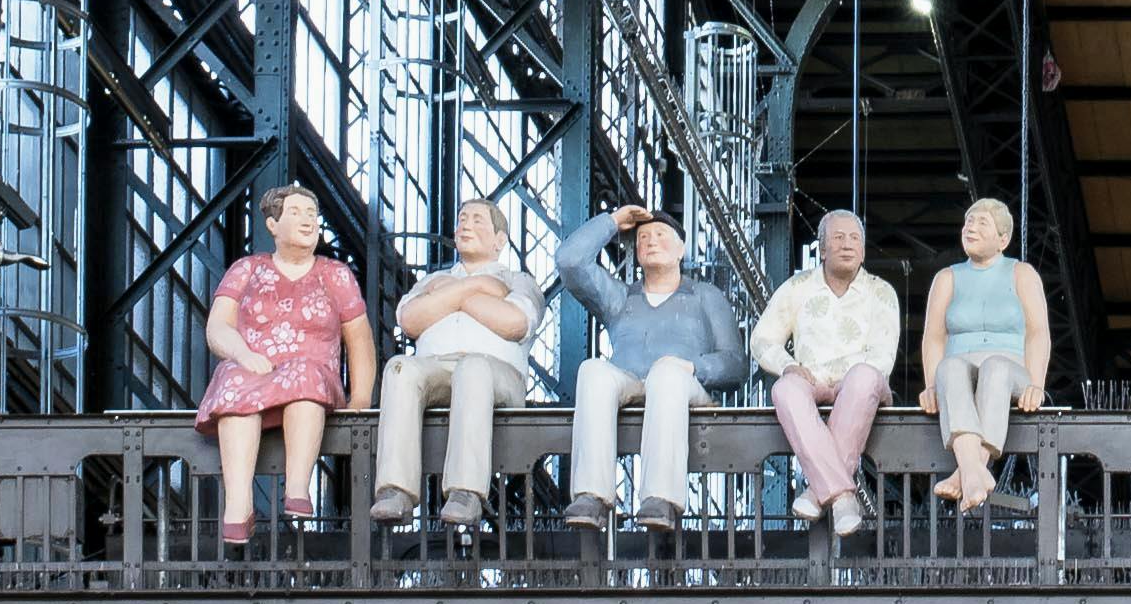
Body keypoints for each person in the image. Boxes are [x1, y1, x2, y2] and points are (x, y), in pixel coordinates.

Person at [555, 197, 752, 536]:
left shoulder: (706, 296)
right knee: (593, 370)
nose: (650, 242)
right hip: (631, 381)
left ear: (681, 251)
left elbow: (735, 364)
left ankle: (660, 497)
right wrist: (613, 221)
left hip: (684, 385)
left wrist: (692, 366)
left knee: (666, 374)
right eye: (644, 238)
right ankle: (592, 495)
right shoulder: (621, 298)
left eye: (661, 235)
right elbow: (571, 262)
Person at [196, 181, 374, 551]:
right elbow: (218, 327)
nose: (307, 220)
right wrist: (244, 355)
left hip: (311, 373)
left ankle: (297, 487)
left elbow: (359, 339)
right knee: (232, 381)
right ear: (272, 224)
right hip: (255, 368)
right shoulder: (246, 269)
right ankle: (239, 503)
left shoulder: (335, 274)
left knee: (305, 376)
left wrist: (360, 399)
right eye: (295, 212)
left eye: (312, 214)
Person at [367, 195, 550, 530]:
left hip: (498, 374)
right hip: (437, 366)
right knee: (400, 368)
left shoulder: (517, 280)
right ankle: (396, 488)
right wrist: (476, 288)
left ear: (499, 240)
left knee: (473, 368)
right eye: (463, 218)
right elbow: (410, 319)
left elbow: (514, 322)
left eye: (478, 220)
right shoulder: (438, 279)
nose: (466, 224)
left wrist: (449, 295)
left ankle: (466, 490)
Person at [747, 208, 903, 538]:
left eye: (855, 239)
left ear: (863, 249)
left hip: (862, 381)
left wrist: (852, 375)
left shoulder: (881, 291)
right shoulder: (797, 287)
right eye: (838, 237)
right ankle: (843, 495)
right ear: (822, 247)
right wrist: (787, 365)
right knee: (785, 389)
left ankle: (817, 491)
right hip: (812, 376)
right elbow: (762, 339)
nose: (847, 245)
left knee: (863, 377)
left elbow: (882, 356)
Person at [916, 194, 1052, 514]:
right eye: (968, 221)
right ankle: (975, 473)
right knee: (948, 369)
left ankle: (967, 470)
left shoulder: (1022, 274)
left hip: (1010, 366)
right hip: (960, 363)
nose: (971, 227)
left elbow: (1037, 333)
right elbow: (934, 337)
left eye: (982, 222)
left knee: (996, 368)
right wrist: (931, 385)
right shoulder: (947, 278)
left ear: (1003, 238)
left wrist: (1036, 383)